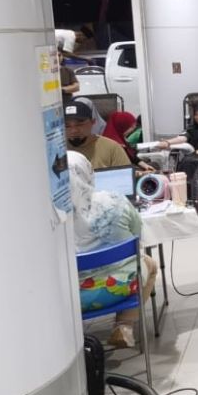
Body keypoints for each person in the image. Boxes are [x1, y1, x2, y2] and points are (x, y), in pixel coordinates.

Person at [70, 152, 158, 348]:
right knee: (148, 263)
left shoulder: (51, 217)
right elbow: (137, 234)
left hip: (70, 298)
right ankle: (123, 327)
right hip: (117, 288)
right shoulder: (113, 200)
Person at [65, 100, 131, 169]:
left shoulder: (111, 148)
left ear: (93, 122)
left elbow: (125, 174)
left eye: (79, 124)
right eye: (67, 126)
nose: (74, 130)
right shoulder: (58, 152)